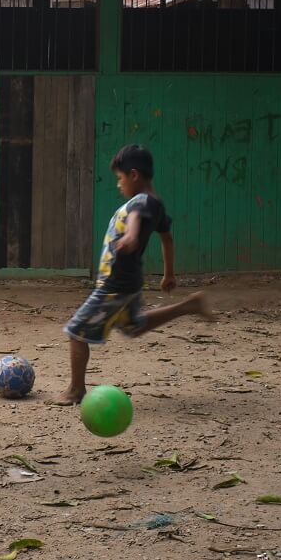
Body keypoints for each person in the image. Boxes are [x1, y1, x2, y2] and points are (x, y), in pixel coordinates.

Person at [55, 144, 212, 405]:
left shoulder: (140, 202)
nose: (119, 185)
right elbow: (167, 239)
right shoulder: (157, 205)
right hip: (129, 284)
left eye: (120, 178)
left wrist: (130, 234)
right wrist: (169, 273)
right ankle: (188, 306)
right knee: (134, 327)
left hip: (114, 285)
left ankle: (75, 390)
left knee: (76, 331)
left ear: (134, 175)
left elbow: (136, 217)